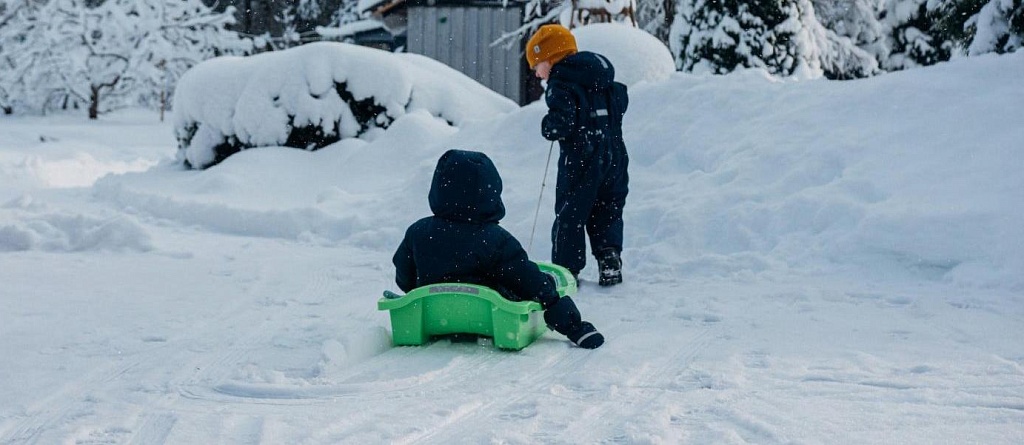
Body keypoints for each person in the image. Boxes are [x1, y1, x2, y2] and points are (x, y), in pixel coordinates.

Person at [392, 149, 604, 349]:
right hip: (487, 316)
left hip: (434, 315)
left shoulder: (418, 231)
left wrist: (417, 291)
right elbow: (527, 279)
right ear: (490, 192)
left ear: (439, 189)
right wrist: (569, 321)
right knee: (538, 280)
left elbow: (404, 275)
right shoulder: (495, 239)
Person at [526, 24, 629, 287]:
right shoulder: (603, 78)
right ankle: (609, 258)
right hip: (614, 155)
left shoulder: (561, 83)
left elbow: (562, 121)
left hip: (581, 156)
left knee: (571, 213)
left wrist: (549, 126)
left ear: (551, 58)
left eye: (537, 65)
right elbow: (621, 101)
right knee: (607, 209)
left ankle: (566, 270)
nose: (538, 74)